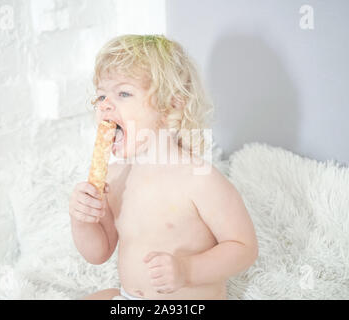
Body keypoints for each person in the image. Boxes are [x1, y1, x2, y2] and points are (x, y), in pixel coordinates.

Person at [68, 34, 258, 300]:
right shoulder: (115, 175)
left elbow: (244, 248)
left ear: (170, 105)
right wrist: (82, 221)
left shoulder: (198, 179)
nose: (105, 105)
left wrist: (186, 269)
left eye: (123, 93)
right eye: (101, 96)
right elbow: (99, 252)